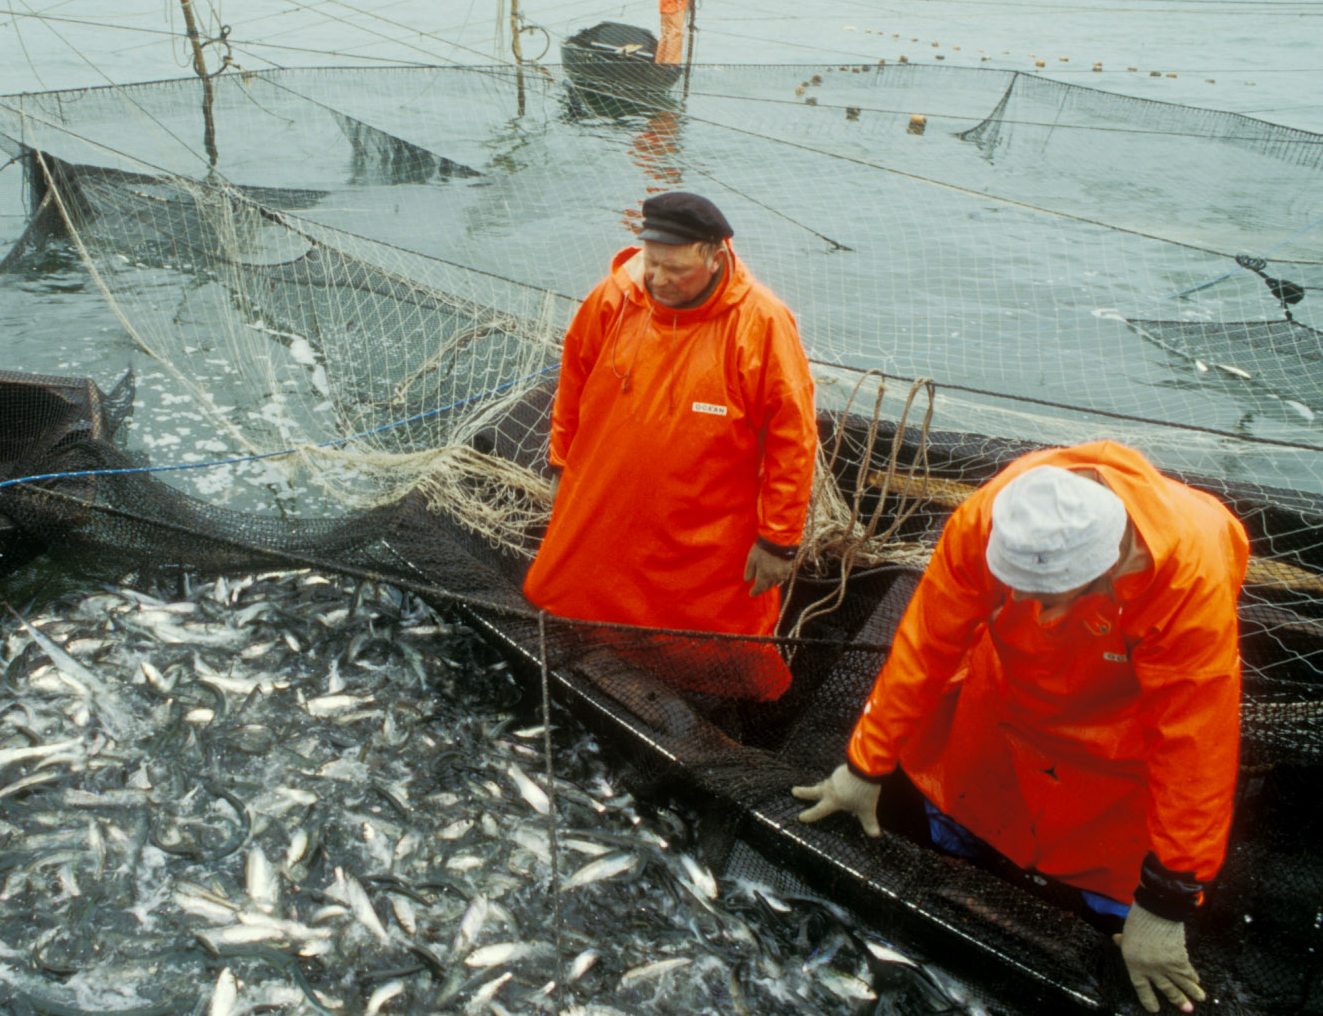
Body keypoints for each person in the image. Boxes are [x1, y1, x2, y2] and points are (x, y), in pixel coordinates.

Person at [792, 444, 1246, 1015]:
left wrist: (1166, 901)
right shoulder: (986, 519)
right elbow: (925, 644)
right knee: (966, 802)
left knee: (1112, 880)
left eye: (1055, 599)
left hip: (1119, 732)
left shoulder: (1188, 577)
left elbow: (1196, 746)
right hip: (1006, 698)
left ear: (1109, 567)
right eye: (1020, 592)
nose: (1042, 613)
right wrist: (864, 766)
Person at [524, 191, 818, 701]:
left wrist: (778, 540)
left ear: (715, 255)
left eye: (674, 268)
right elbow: (572, 381)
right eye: (651, 263)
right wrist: (558, 463)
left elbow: (795, 437)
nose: (657, 280)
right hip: (604, 506)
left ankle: (718, 700)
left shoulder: (763, 323)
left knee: (714, 638)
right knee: (566, 594)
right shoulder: (612, 297)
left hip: (703, 529)